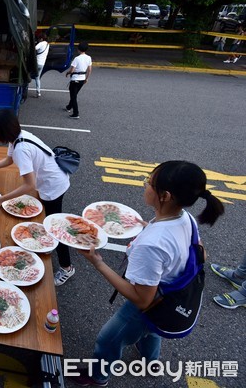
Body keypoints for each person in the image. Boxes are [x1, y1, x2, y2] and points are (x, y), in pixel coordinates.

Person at [70, 161, 224, 386]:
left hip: (154, 301)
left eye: (149, 183)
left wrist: (99, 264)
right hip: (173, 294)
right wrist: (149, 227)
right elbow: (201, 253)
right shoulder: (185, 218)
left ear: (166, 195)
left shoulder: (151, 245)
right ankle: (150, 361)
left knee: (108, 339)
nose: (145, 186)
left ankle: (98, 376)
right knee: (153, 330)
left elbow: (143, 300)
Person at [0, 110, 72, 286]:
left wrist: (0, 199)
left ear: (2, 132)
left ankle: (67, 267)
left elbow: (29, 184)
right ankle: (45, 245)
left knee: (53, 226)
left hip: (54, 186)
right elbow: (8, 160)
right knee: (47, 220)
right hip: (51, 180)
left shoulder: (21, 148)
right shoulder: (18, 137)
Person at [64, 42, 92, 120]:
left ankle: (76, 113)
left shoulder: (77, 58)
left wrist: (68, 73)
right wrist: (87, 78)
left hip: (75, 79)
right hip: (82, 79)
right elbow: (89, 70)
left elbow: (72, 70)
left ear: (78, 49)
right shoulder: (89, 58)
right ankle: (69, 107)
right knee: (74, 94)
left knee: (73, 96)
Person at [34, 33, 49, 98]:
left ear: (41, 39)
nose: (38, 40)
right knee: (37, 78)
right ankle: (38, 92)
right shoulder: (47, 44)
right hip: (42, 64)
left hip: (37, 62)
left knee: (27, 73)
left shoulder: (41, 43)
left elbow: (34, 48)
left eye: (39, 39)